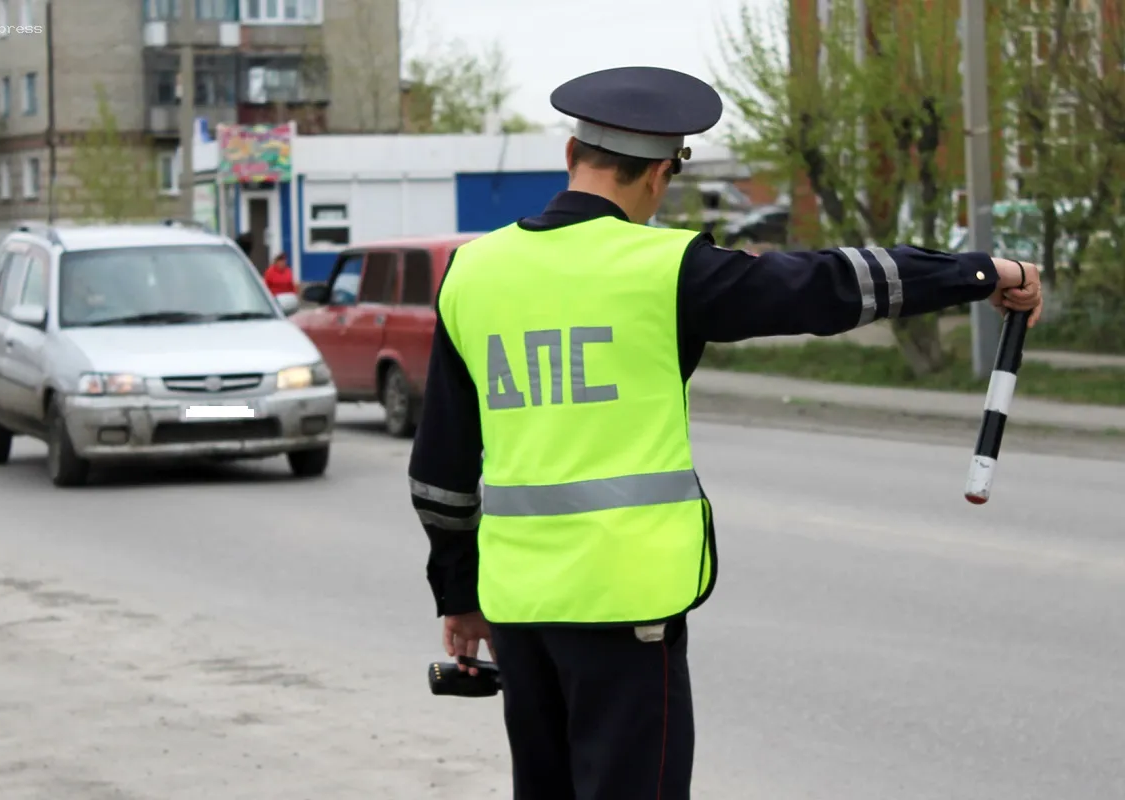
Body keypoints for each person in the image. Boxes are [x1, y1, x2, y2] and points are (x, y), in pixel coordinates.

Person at [406, 66, 1043, 800]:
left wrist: (458, 596)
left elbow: (441, 470)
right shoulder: (664, 268)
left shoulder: (472, 272)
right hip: (625, 607)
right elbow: (828, 286)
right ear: (659, 175)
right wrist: (979, 273)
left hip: (518, 610)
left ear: (572, 156)